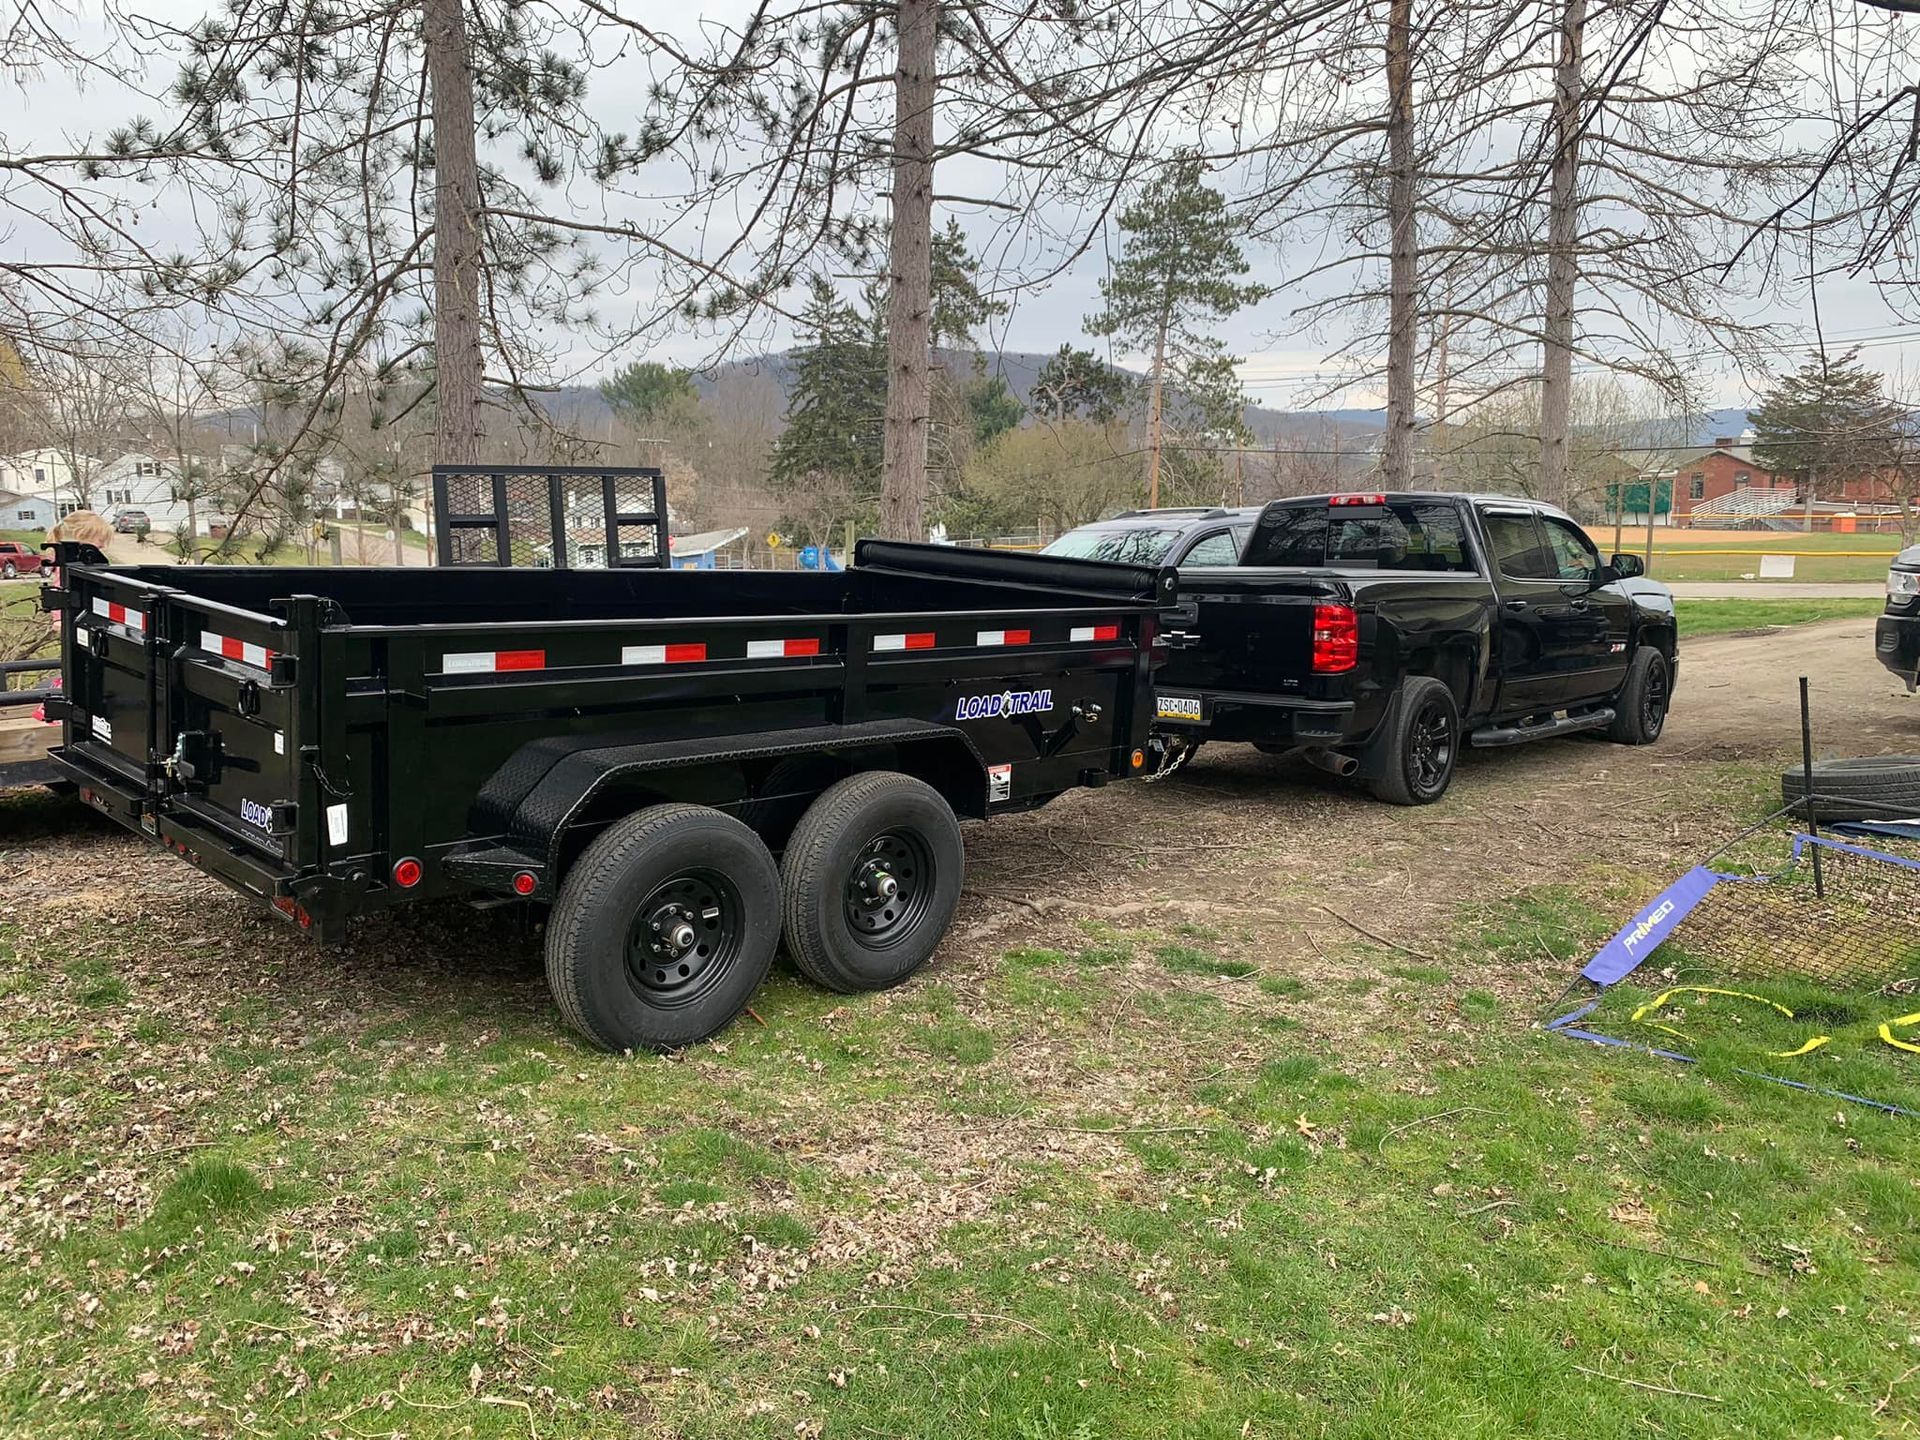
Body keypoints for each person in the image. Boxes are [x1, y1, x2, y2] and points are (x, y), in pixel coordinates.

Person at [33, 511, 113, 723]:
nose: (103, 546)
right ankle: (61, 710)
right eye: (100, 541)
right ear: (81, 537)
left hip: (82, 623)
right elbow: (61, 591)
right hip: (73, 624)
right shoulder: (68, 569)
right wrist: (59, 620)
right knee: (75, 667)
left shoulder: (86, 566)